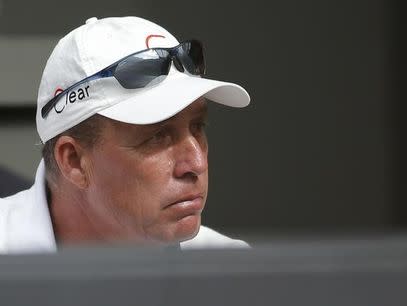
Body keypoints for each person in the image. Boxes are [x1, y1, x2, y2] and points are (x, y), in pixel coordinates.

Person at [0, 16, 250, 254]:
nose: (196, 163)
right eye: (158, 135)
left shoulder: (238, 276)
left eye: (198, 127)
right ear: (74, 161)